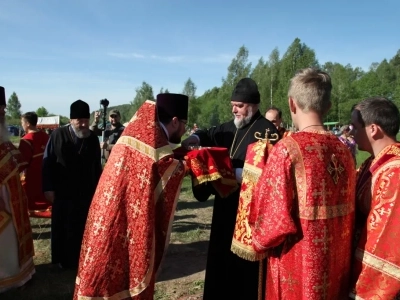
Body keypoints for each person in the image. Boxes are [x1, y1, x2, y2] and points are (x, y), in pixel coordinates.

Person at [250, 68, 356, 299]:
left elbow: (271, 220)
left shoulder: (287, 150)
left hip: (297, 265)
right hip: (337, 263)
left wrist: (255, 240)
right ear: (327, 106)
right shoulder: (345, 151)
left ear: (291, 104)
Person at [74, 94, 189, 300]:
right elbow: (166, 170)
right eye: (184, 124)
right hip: (119, 217)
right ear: (174, 121)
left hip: (107, 213)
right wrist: (191, 165)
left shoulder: (139, 133)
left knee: (104, 266)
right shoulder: (151, 141)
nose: (185, 130)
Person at [181, 78, 278, 300]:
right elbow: (207, 133)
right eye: (232, 104)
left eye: (239, 106)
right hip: (224, 209)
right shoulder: (229, 127)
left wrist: (231, 174)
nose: (234, 109)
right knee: (220, 263)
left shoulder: (267, 132)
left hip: (249, 215)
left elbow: (270, 175)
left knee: (243, 274)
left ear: (253, 106)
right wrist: (192, 138)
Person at [349, 97, 400, 299]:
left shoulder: (394, 172)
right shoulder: (374, 162)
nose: (351, 131)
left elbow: (387, 238)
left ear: (373, 130)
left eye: (354, 126)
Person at [42, 100, 102, 270]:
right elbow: (47, 163)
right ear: (71, 120)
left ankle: (82, 260)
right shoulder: (57, 135)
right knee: (63, 224)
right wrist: (48, 187)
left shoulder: (92, 139)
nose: (83, 124)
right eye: (79, 121)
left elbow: (97, 166)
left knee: (82, 225)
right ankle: (62, 260)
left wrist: (99, 190)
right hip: (62, 190)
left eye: (85, 120)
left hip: (86, 190)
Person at [0, 87, 35, 293]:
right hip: (2, 199)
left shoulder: (3, 136)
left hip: (12, 194)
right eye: (1, 110)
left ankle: (18, 273)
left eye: (4, 110)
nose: (4, 114)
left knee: (12, 236)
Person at [18, 111, 51, 218]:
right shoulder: (46, 136)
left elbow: (22, 162)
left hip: (31, 175)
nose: (22, 125)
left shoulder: (26, 140)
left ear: (27, 123)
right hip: (45, 172)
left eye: (22, 122)